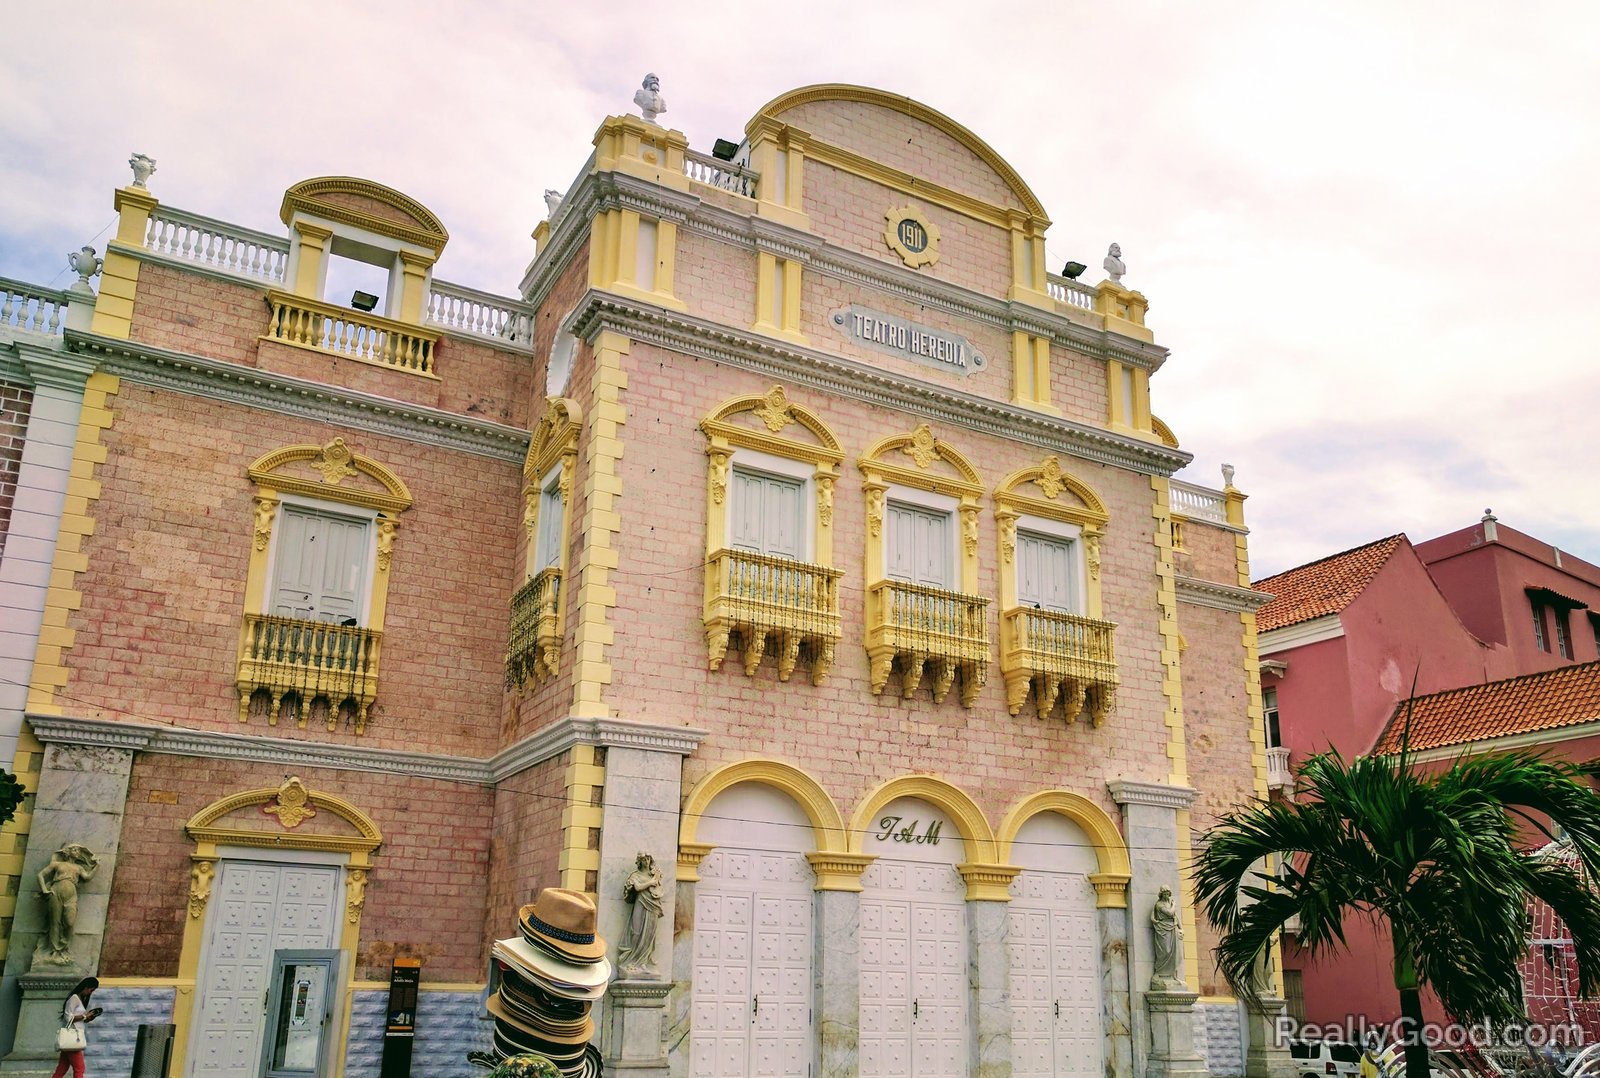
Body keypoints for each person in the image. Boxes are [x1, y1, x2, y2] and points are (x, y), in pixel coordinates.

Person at [38, 844, 97, 962]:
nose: (77, 852)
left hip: (71, 894)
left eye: (78, 851)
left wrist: (97, 865)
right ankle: (55, 951)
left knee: (70, 922)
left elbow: (88, 877)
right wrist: (44, 889)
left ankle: (63, 946)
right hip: (56, 892)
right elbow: (40, 875)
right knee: (55, 922)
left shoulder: (79, 868)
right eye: (74, 849)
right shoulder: (57, 864)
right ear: (67, 852)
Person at [51, 977, 100, 1078]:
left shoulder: (79, 999)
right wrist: (85, 1016)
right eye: (91, 990)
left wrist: (88, 1017)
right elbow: (68, 1017)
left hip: (71, 1039)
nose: (91, 993)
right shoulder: (74, 998)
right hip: (73, 1038)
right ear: (86, 987)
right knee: (79, 1068)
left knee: (62, 1068)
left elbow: (78, 1019)